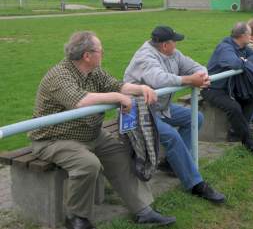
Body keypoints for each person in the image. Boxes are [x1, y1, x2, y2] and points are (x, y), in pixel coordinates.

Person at [29, 31, 176, 229]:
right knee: (88, 164)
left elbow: (116, 84)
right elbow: (80, 100)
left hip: (91, 134)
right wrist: (117, 97)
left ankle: (143, 210)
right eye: (100, 50)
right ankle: (77, 218)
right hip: (54, 139)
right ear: (87, 55)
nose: (103, 53)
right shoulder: (59, 75)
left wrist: (140, 89)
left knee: (121, 155)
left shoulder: (93, 71)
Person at [123, 26, 225, 204]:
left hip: (159, 107)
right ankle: (195, 184)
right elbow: (158, 79)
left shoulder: (174, 54)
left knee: (196, 118)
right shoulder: (145, 57)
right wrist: (189, 80)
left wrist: (203, 76)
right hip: (138, 111)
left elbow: (195, 66)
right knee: (172, 135)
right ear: (164, 45)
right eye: (174, 41)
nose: (176, 44)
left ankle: (172, 163)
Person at [202, 23, 253, 158]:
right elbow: (235, 64)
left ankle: (237, 132)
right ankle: (249, 142)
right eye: (249, 34)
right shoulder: (225, 47)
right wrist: (243, 61)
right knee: (234, 107)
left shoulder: (242, 46)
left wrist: (244, 60)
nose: (251, 37)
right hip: (213, 88)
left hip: (230, 87)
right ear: (243, 36)